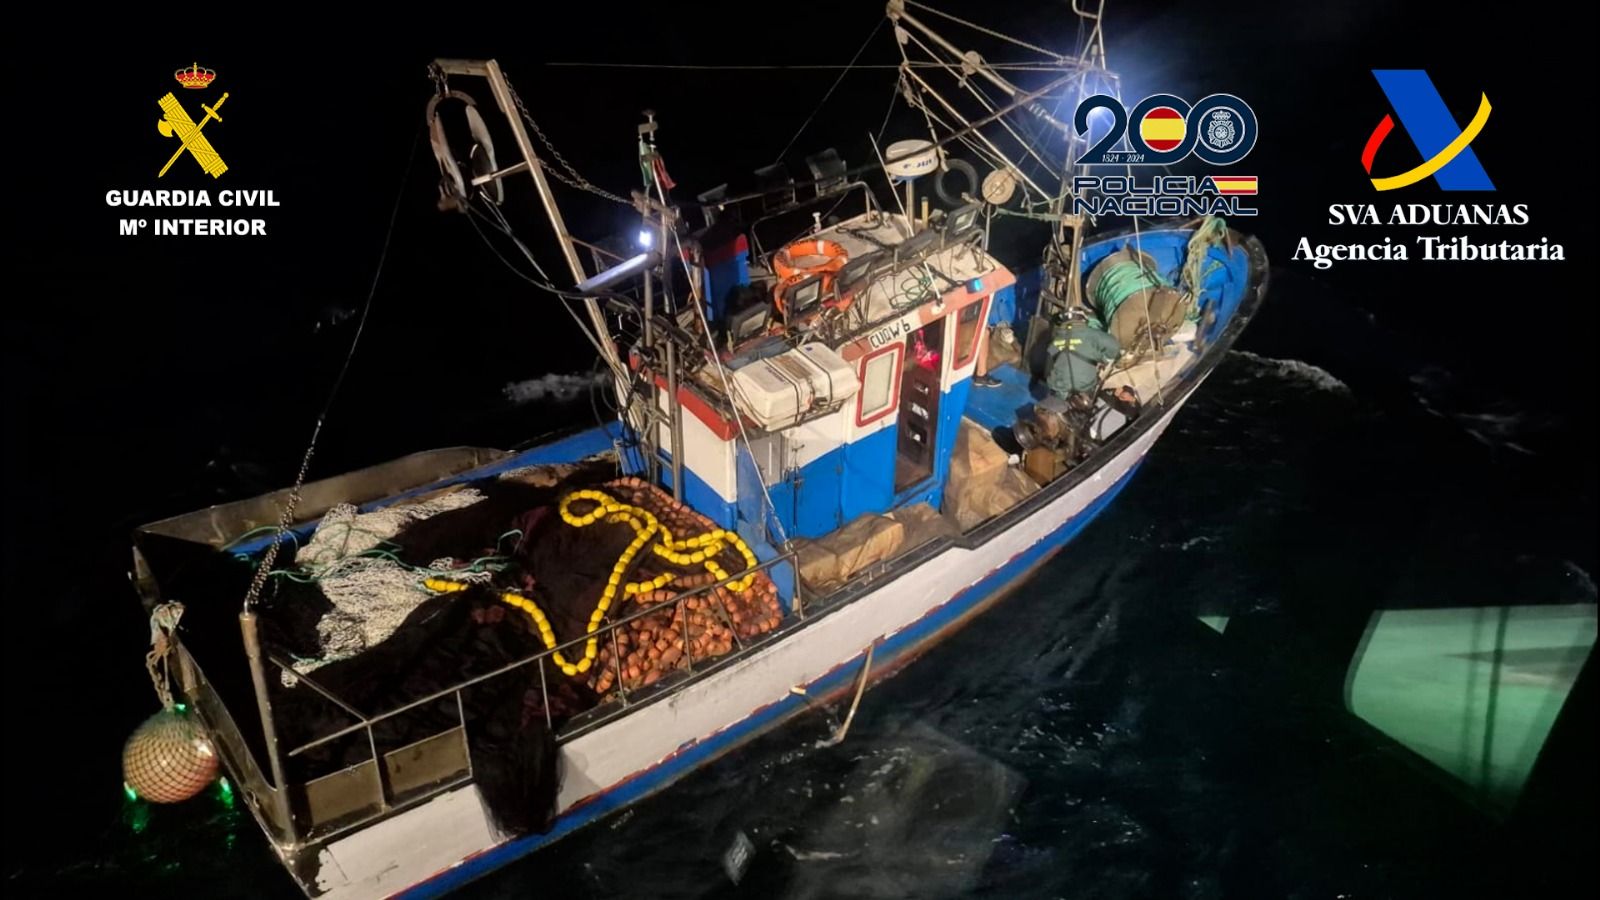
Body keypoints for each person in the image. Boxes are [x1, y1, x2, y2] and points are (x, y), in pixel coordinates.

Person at [1046, 310, 1122, 405]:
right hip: (1085, 386)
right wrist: (1105, 358)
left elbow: (1049, 360)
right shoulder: (1091, 334)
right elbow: (1114, 346)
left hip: (1059, 387)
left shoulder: (1055, 340)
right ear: (1083, 320)